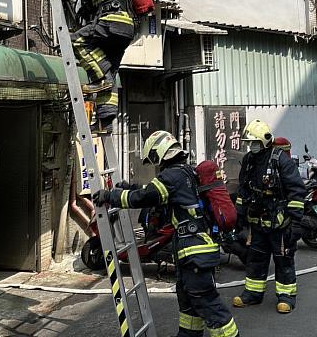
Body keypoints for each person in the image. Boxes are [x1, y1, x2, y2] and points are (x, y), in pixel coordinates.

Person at [93, 131, 239, 337]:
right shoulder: (185, 172)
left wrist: (111, 195)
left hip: (194, 251)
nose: (155, 163)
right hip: (196, 250)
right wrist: (131, 187)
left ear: (161, 152)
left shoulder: (171, 176)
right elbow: (156, 192)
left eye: (154, 158)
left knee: (208, 303)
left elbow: (146, 197)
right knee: (189, 303)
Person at [233, 120, 306, 314]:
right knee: (255, 259)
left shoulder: (280, 159)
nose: (251, 146)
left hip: (280, 223)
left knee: (283, 259)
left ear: (265, 140)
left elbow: (297, 191)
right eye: (249, 143)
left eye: (254, 142)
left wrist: (296, 223)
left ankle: (286, 296)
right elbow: (243, 189)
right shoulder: (249, 160)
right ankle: (253, 294)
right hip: (257, 221)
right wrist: (239, 215)